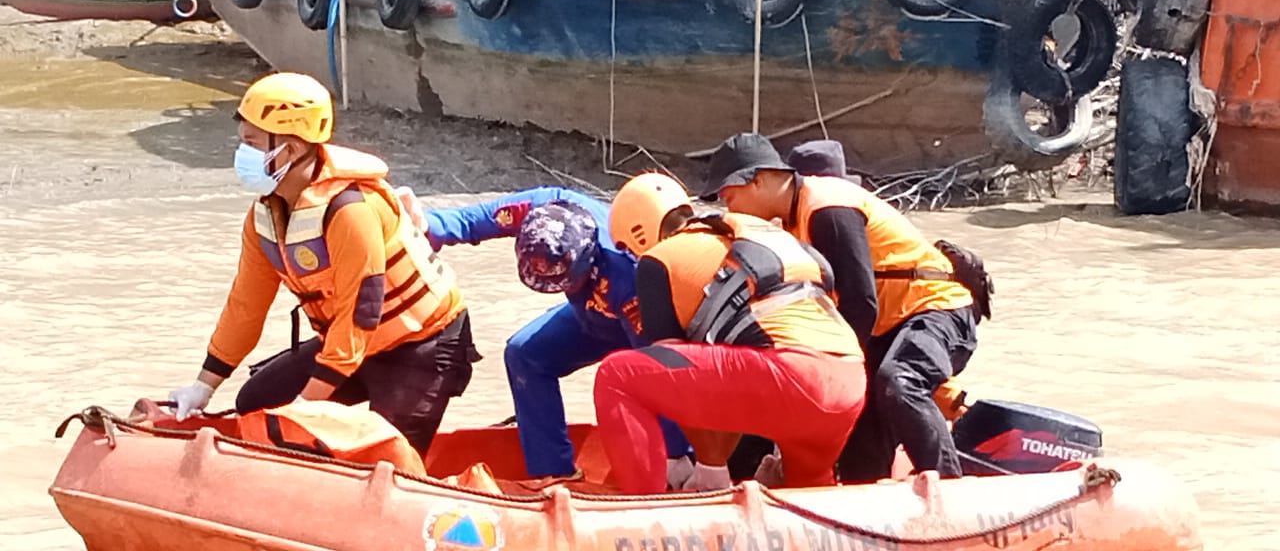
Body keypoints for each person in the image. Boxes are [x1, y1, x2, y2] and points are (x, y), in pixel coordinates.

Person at [168, 71, 478, 454]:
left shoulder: (350, 210)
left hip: (422, 346)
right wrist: (203, 386)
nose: (241, 153)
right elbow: (246, 306)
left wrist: (307, 405)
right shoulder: (265, 215)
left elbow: (359, 313)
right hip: (352, 347)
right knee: (258, 404)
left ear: (292, 150)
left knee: (384, 456)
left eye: (251, 142)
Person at [698, 133, 978, 480]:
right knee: (860, 433)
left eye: (730, 198)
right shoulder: (792, 222)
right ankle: (863, 505)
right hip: (886, 329)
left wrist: (830, 370)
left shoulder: (826, 207)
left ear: (758, 181)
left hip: (935, 312)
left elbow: (860, 302)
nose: (730, 211)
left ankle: (948, 490)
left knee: (899, 381)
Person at [594, 173, 866, 494]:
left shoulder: (658, 261)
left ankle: (641, 511)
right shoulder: (757, 233)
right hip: (850, 381)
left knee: (617, 375)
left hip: (787, 374)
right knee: (805, 493)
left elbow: (683, 383)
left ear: (637, 234)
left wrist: (710, 467)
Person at [400, 187, 694, 484]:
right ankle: (553, 471)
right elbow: (476, 219)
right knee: (524, 354)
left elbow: (658, 369)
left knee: (628, 381)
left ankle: (687, 457)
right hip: (590, 317)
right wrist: (426, 223)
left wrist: (676, 452)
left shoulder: (627, 271)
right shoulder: (543, 208)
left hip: (636, 329)